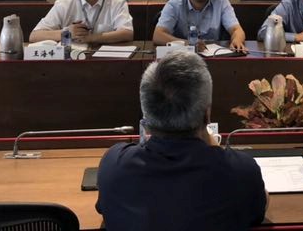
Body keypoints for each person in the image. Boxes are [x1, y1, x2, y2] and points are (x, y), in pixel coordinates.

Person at [96, 50, 267, 231]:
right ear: (207, 114)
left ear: (146, 113)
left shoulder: (114, 166)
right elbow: (260, 207)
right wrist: (214, 146)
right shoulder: (241, 172)